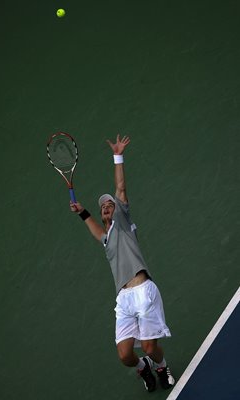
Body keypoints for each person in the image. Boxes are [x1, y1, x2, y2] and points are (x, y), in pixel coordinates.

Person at [70, 134, 175, 392]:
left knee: (151, 348)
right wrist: (83, 212)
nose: (107, 206)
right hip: (124, 300)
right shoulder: (106, 240)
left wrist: (118, 156)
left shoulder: (124, 223)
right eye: (103, 206)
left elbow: (120, 189)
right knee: (126, 356)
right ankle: (144, 369)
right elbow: (93, 228)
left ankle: (161, 366)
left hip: (144, 291)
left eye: (110, 204)